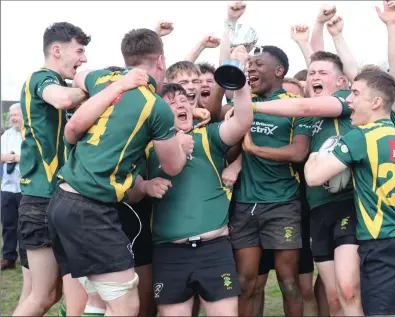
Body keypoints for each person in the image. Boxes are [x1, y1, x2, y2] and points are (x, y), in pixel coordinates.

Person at [47, 28, 193, 316]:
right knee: (126, 305)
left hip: (62, 200)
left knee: (96, 299)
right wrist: (181, 144)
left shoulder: (103, 78)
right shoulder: (156, 107)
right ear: (161, 62)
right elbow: (173, 166)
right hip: (90, 208)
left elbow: (79, 75)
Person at [304, 69, 395, 316]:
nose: (349, 100)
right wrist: (383, 191)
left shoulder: (360, 137)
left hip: (379, 248)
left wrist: (313, 155)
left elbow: (313, 177)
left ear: (375, 102)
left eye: (355, 93)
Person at [149, 46, 253, 317]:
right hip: (169, 252)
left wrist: (239, 73)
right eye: (172, 102)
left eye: (185, 100)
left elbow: (243, 120)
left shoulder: (208, 137)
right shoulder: (146, 147)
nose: (181, 104)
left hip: (213, 249)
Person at [224, 45, 308, 317]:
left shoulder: (294, 106)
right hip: (245, 204)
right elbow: (219, 110)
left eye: (258, 64)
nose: (251, 69)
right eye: (249, 65)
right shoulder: (245, 102)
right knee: (245, 282)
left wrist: (256, 149)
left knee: (288, 282)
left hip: (283, 205)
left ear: (279, 71)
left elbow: (299, 152)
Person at [14, 22, 91, 317]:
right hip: (42, 200)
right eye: (79, 51)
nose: (83, 59)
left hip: (44, 199)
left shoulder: (58, 83)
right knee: (43, 296)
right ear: (57, 50)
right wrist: (100, 86)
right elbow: (62, 99)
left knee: (41, 294)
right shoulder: (43, 78)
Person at [250, 77, 318, 317]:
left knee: (296, 285)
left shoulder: (304, 119)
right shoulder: (251, 105)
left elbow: (300, 152)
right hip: (251, 208)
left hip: (293, 210)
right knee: (252, 285)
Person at [1, 103, 24, 271]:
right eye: (12, 116)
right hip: (8, 187)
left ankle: (27, 259)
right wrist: (5, 157)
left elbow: (34, 158)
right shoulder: (7, 135)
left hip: (26, 188)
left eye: (16, 115)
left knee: (25, 225)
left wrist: (16, 158)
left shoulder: (30, 134)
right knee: (8, 224)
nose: (13, 118)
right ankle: (8, 257)